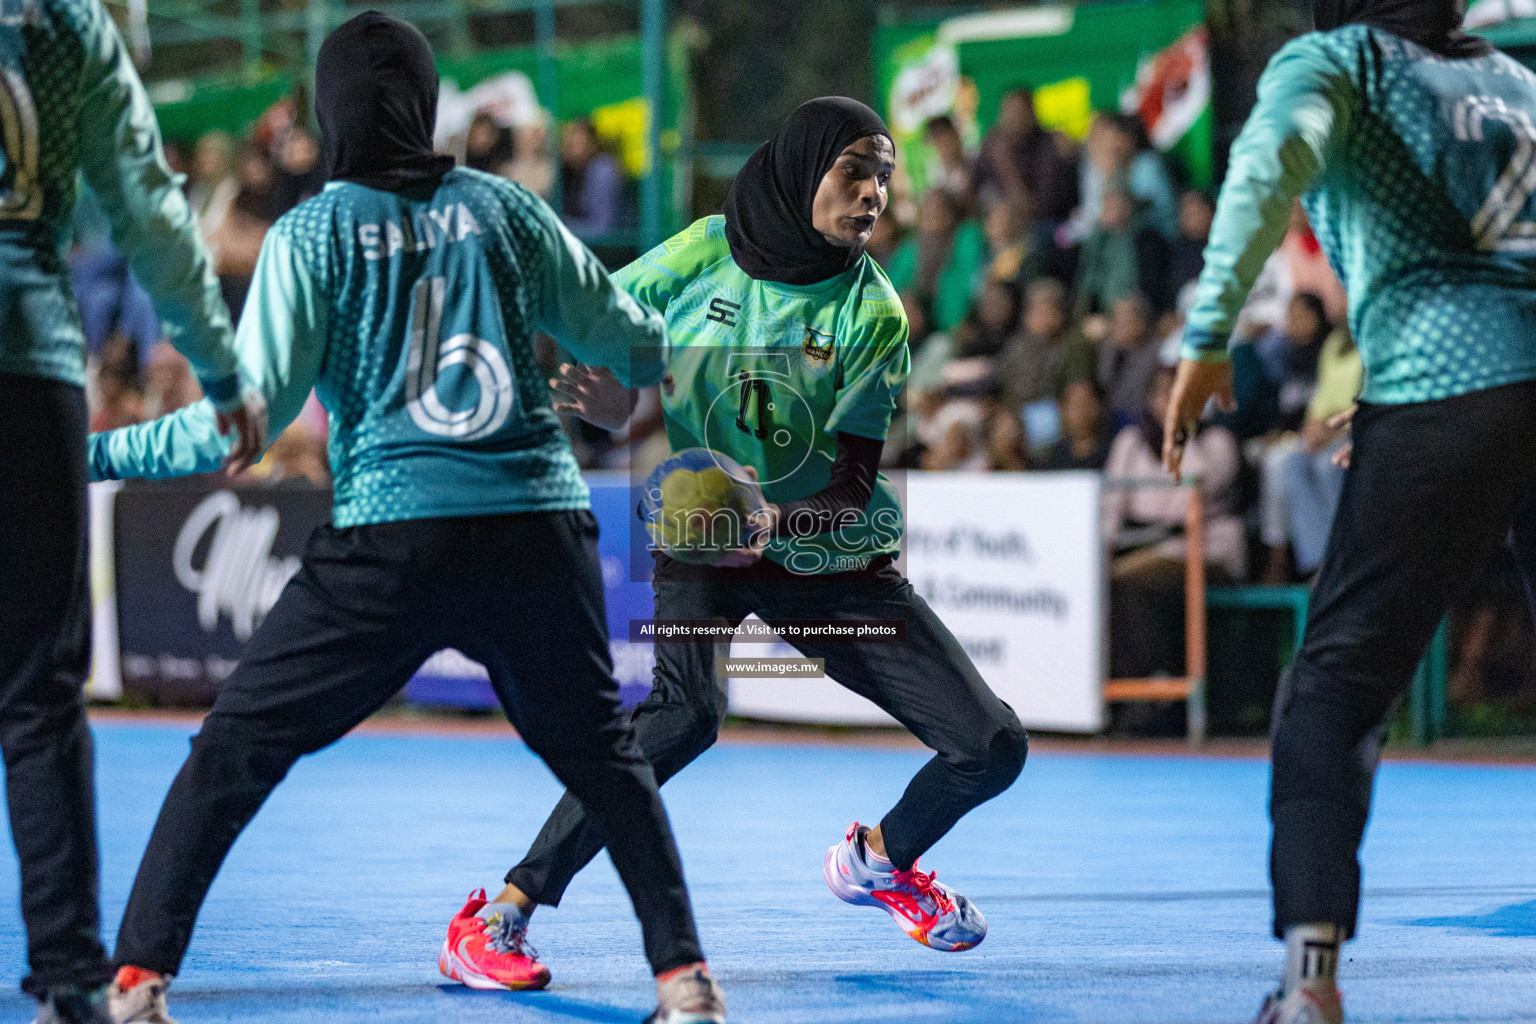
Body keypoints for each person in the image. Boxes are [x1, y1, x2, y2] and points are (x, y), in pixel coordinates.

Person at [89, 15, 724, 1024]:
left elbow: (236, 430)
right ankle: (686, 984)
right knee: (606, 757)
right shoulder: (508, 210)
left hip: (391, 535)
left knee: (231, 751)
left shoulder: (313, 232)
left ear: (331, 107)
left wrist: (93, 449)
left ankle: (134, 983)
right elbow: (635, 347)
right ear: (428, 105)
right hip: (535, 523)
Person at [456, 96, 1028, 989]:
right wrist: (607, 403)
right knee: (686, 716)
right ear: (803, 171)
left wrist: (774, 518)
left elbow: (849, 478)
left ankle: (879, 859)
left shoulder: (872, 315)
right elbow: (603, 336)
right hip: (700, 527)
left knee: (992, 746)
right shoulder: (702, 249)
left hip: (825, 553)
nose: (875, 192)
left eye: (885, 175)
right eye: (855, 172)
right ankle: (501, 913)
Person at [1161, 0, 1536, 1017]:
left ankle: (1311, 982)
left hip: (1446, 387)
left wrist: (1204, 340)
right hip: (1473, 385)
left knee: (1333, 686)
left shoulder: (1339, 61)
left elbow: (1266, 164)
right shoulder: (1515, 81)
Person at [0, 3, 265, 1023]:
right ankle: (67, 975)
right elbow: (151, 212)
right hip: (27, 369)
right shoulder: (69, 26)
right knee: (36, 691)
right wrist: (219, 364)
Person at [1105, 366, 1243, 679]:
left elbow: (1191, 495)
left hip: (1207, 551)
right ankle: (1130, 690)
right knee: (1101, 579)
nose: (1169, 400)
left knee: (1126, 582)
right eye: (1162, 393)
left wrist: (1183, 430)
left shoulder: (1215, 441)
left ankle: (1158, 684)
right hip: (1143, 547)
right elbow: (1111, 505)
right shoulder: (1131, 442)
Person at [885, 187, 988, 332]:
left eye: (938, 207)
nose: (932, 213)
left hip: (954, 323)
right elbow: (890, 287)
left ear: (951, 213)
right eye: (927, 207)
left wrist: (957, 322)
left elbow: (968, 281)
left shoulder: (967, 236)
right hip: (915, 325)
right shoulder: (910, 246)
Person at [560, 116, 624, 239]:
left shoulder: (603, 170)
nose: (569, 148)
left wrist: (560, 227)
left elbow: (602, 228)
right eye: (567, 142)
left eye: (576, 143)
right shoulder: (567, 170)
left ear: (592, 143)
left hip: (607, 248)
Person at [1037, 377, 1114, 471]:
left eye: (1083, 404)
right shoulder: (1058, 453)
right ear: (1063, 410)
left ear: (1095, 408)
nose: (1079, 412)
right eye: (1074, 405)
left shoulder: (1111, 451)